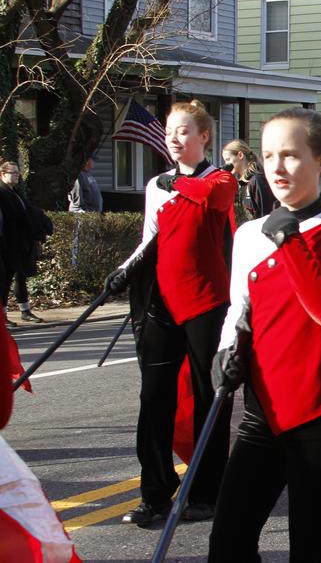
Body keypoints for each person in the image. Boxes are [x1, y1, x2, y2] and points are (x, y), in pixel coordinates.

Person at [208, 108, 321, 562]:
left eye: (291, 156)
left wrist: (290, 242)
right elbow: (239, 307)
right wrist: (225, 352)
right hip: (263, 411)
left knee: (312, 546)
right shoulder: (250, 234)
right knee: (229, 541)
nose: (276, 168)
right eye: (270, 155)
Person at [104, 100, 236, 526]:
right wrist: (123, 271)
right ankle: (155, 493)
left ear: (203, 137)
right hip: (161, 301)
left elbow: (213, 198)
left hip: (207, 302)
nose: (174, 139)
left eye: (183, 131)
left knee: (208, 399)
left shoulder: (220, 180)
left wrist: (174, 184)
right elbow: (151, 239)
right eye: (169, 132)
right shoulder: (156, 184)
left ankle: (207, 493)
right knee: (153, 398)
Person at [0, 162, 47, 324]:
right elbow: (10, 218)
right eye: (12, 173)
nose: (16, 176)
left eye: (17, 173)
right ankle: (3, 315)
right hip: (8, 243)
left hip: (21, 242)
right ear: (2, 174)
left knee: (21, 276)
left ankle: (25, 310)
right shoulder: (2, 193)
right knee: (6, 279)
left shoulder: (16, 193)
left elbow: (27, 211)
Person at [222, 139, 275, 224]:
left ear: (240, 155)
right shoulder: (240, 183)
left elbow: (266, 214)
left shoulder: (257, 180)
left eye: (228, 159)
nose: (226, 164)